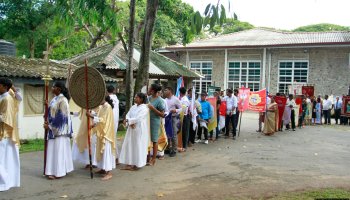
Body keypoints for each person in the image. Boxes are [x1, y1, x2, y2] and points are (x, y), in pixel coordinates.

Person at [43, 81, 74, 180]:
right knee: (53, 151)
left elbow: (62, 117)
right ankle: (52, 170)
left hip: (59, 131)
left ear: (59, 89)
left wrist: (51, 127)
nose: (52, 88)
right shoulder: (55, 99)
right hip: (53, 129)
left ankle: (59, 172)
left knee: (58, 151)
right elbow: (52, 112)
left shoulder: (63, 100)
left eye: (54, 87)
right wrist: (47, 106)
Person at [86, 96, 116, 180]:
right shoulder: (101, 107)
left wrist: (91, 116)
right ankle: (103, 168)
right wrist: (93, 123)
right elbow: (98, 117)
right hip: (101, 131)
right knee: (101, 151)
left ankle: (109, 172)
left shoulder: (108, 107)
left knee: (106, 151)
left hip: (106, 133)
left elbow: (103, 120)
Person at [119, 93, 149, 170]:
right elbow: (128, 114)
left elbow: (139, 118)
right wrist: (128, 121)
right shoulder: (133, 107)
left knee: (138, 145)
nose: (135, 98)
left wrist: (130, 121)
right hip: (131, 128)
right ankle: (130, 163)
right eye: (135, 97)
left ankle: (137, 164)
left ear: (141, 99)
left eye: (137, 97)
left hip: (139, 128)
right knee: (130, 145)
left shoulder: (145, 108)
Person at [0, 78, 20, 191]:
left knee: (2, 159)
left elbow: (5, 117)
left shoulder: (7, 98)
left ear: (4, 87)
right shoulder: (3, 96)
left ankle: (4, 182)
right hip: (3, 132)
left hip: (4, 133)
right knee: (4, 159)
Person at [147, 84, 165, 165]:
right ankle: (148, 157)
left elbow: (162, 114)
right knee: (147, 140)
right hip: (147, 121)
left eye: (150, 89)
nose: (149, 90)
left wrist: (153, 108)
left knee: (154, 140)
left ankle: (153, 159)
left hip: (155, 122)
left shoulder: (160, 100)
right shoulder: (148, 98)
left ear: (153, 91)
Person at [164, 87, 182, 157]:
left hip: (173, 118)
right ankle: (168, 148)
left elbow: (181, 108)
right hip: (166, 118)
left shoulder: (175, 99)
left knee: (174, 134)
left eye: (166, 90)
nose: (164, 91)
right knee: (167, 133)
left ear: (170, 91)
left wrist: (176, 110)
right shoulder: (165, 100)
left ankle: (174, 150)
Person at [107, 85, 120, 165]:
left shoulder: (109, 99)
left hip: (110, 121)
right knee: (113, 138)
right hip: (115, 121)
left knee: (110, 140)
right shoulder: (116, 98)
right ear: (114, 90)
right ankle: (116, 158)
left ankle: (114, 158)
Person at [178, 87, 190, 152]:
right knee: (181, 132)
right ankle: (181, 145)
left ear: (181, 92)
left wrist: (177, 110)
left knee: (185, 132)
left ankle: (184, 146)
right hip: (181, 116)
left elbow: (184, 109)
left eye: (179, 92)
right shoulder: (181, 98)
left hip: (184, 116)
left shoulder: (185, 100)